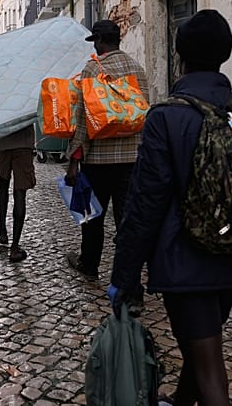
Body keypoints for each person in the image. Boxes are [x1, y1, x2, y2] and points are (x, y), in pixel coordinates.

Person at [108, 9, 232, 405]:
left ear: (180, 57)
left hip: (187, 263)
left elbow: (145, 204)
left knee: (210, 371)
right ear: (224, 54)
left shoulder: (166, 118)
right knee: (199, 349)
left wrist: (125, 276)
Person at [64, 19, 149, 280]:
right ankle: (129, 277)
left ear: (100, 40)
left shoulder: (92, 69)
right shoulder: (137, 69)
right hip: (131, 158)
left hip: (98, 159)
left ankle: (89, 264)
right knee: (126, 219)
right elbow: (144, 111)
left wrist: (74, 160)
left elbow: (82, 118)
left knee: (92, 217)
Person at [0, 124, 36, 263]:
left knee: (3, 185)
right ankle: (14, 248)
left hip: (2, 140)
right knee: (20, 193)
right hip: (23, 143)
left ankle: (3, 232)